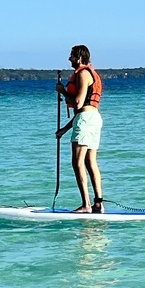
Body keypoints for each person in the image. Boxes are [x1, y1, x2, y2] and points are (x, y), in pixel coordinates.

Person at [58, 45, 106, 213]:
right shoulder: (90, 73)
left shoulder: (83, 74)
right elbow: (84, 110)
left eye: (71, 56)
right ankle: (98, 203)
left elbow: (78, 103)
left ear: (79, 58)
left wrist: (63, 91)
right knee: (90, 162)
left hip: (86, 119)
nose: (69, 59)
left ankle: (86, 204)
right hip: (93, 119)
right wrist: (64, 129)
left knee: (77, 163)